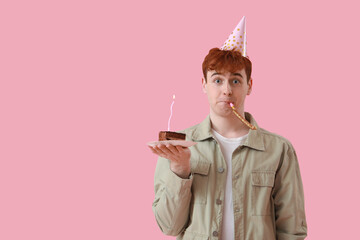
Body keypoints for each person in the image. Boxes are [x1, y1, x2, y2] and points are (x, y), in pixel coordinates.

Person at [149, 17, 307, 240]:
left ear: (249, 85)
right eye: (217, 80)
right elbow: (169, 227)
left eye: (235, 80)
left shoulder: (279, 150)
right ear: (203, 84)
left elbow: (292, 231)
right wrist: (180, 170)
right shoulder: (177, 148)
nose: (226, 90)